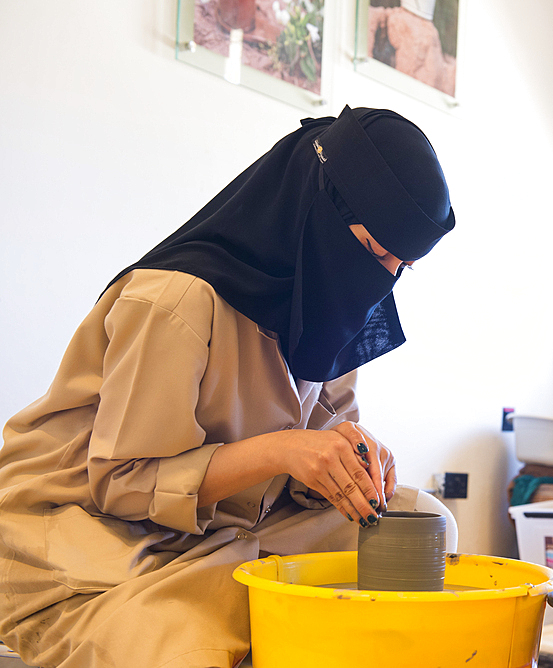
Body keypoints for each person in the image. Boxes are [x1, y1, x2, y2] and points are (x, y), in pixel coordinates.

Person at [0, 104, 455, 668]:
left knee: (425, 524)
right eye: (371, 250)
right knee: (190, 648)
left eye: (400, 266)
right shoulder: (176, 301)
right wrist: (283, 451)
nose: (381, 277)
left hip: (238, 524)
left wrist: (350, 462)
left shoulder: (336, 298)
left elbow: (319, 440)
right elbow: (121, 482)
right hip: (100, 537)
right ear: (319, 211)